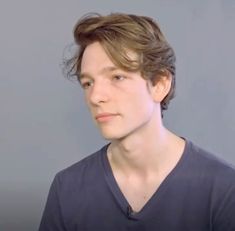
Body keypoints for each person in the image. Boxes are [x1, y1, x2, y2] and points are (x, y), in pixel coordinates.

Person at [38, 13, 235, 231]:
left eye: (117, 77)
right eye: (88, 83)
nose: (95, 97)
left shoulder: (223, 188)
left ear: (160, 84)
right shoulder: (68, 188)